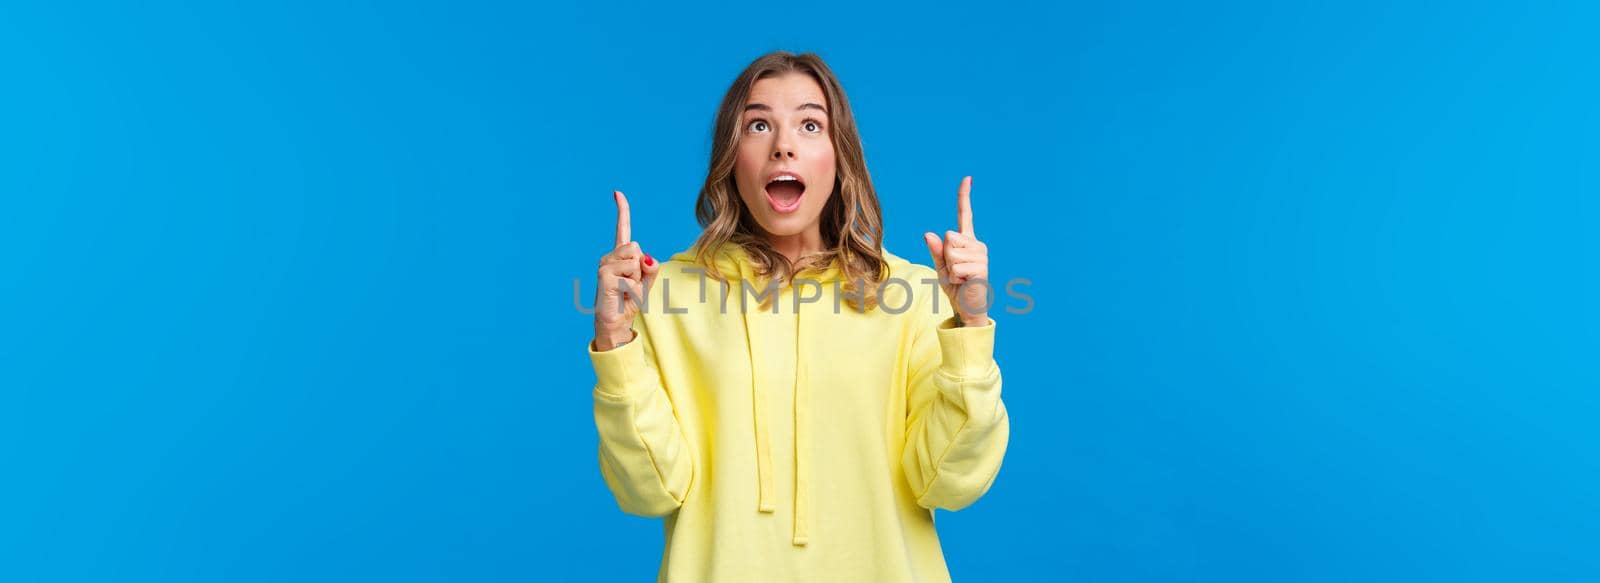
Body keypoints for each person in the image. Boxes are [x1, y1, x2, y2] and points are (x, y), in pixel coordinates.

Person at [587, 50, 1010, 582]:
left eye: (810, 124)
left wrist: (970, 326)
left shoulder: (913, 294)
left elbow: (950, 483)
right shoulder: (664, 293)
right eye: (758, 124)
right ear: (730, 156)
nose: (783, 144)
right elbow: (648, 491)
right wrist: (615, 340)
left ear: (839, 156)